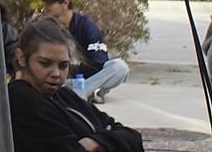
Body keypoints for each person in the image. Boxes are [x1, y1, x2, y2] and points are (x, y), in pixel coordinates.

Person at [7, 18, 144, 151]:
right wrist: (109, 139)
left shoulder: (64, 95)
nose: (56, 73)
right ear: (22, 58)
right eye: (45, 63)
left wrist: (94, 142)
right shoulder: (23, 99)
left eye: (63, 66)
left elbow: (133, 137)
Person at [39, 0, 131, 103]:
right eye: (45, 2)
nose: (46, 6)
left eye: (50, 3)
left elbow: (99, 61)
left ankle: (80, 94)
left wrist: (78, 74)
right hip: (60, 80)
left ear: (65, 3)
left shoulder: (85, 25)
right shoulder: (44, 26)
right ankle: (89, 93)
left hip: (84, 79)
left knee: (120, 68)